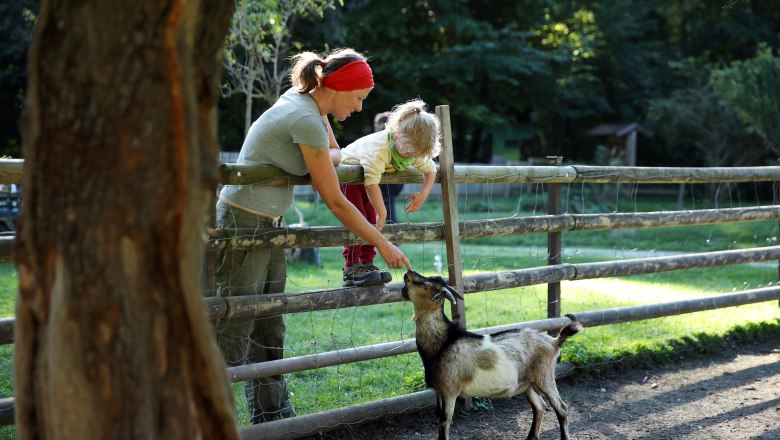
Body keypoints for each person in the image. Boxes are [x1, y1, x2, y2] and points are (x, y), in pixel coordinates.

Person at [212, 48, 412, 424]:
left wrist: (326, 154)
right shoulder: (304, 116)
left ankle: (274, 420)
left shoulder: (312, 108)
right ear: (338, 87)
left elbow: (334, 153)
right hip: (242, 223)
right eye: (357, 99)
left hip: (269, 223)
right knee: (232, 328)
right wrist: (382, 242)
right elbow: (336, 201)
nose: (357, 109)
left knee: (271, 322)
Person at [339, 99, 441, 287]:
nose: (410, 157)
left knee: (372, 221)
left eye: (415, 154)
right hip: (349, 177)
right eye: (408, 153)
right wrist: (383, 211)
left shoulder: (412, 149)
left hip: (368, 180)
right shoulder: (379, 148)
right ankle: (351, 267)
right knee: (359, 219)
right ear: (397, 137)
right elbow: (371, 185)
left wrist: (423, 194)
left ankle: (367, 263)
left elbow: (430, 169)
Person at [374, 111, 405, 226]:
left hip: (385, 184)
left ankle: (393, 239)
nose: (375, 127)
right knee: (388, 211)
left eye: (376, 124)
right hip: (391, 184)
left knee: (387, 211)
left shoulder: (383, 142)